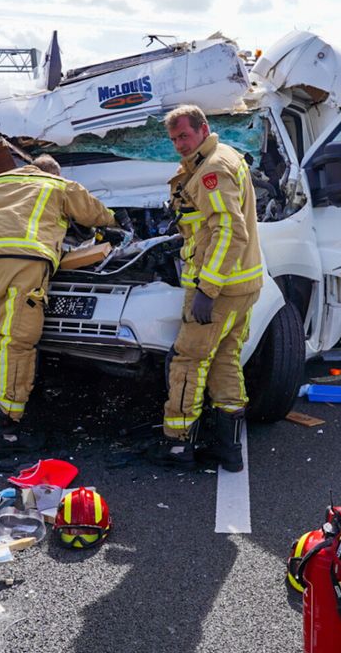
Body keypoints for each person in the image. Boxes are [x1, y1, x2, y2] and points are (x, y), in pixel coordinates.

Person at [0, 153, 115, 454]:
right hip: (26, 265)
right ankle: (8, 432)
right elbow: (95, 213)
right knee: (15, 343)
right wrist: (114, 220)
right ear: (52, 172)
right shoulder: (59, 185)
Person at [151, 105, 263, 472]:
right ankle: (229, 450)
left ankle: (178, 446)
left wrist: (206, 288)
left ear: (203, 129)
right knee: (225, 360)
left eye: (184, 136)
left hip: (221, 287)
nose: (179, 145)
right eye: (173, 139)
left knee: (189, 361)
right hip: (244, 283)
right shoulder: (224, 156)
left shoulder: (212, 169)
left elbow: (230, 232)